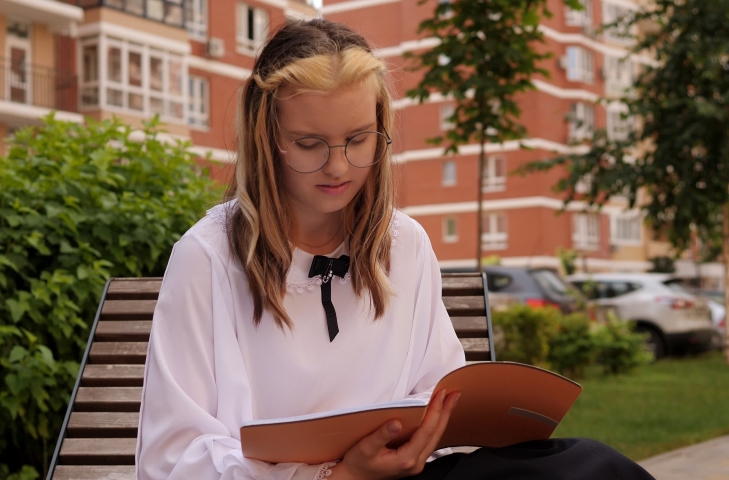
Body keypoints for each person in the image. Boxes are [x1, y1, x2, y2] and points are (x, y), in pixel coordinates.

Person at [135, 19, 655, 480]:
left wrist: (433, 432)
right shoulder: (207, 257)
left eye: (359, 139)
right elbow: (170, 459)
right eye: (310, 144)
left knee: (589, 465)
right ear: (265, 135)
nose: (338, 167)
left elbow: (439, 395)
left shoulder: (404, 244)